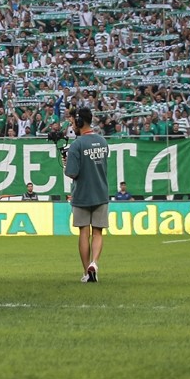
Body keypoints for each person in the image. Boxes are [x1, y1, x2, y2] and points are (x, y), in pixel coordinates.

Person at [65, 107, 110, 283]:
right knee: (98, 232)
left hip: (82, 194)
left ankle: (86, 273)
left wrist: (67, 162)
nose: (72, 126)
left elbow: (72, 172)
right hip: (101, 191)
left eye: (73, 123)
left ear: (79, 122)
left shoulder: (77, 145)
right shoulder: (103, 141)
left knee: (84, 232)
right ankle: (94, 263)